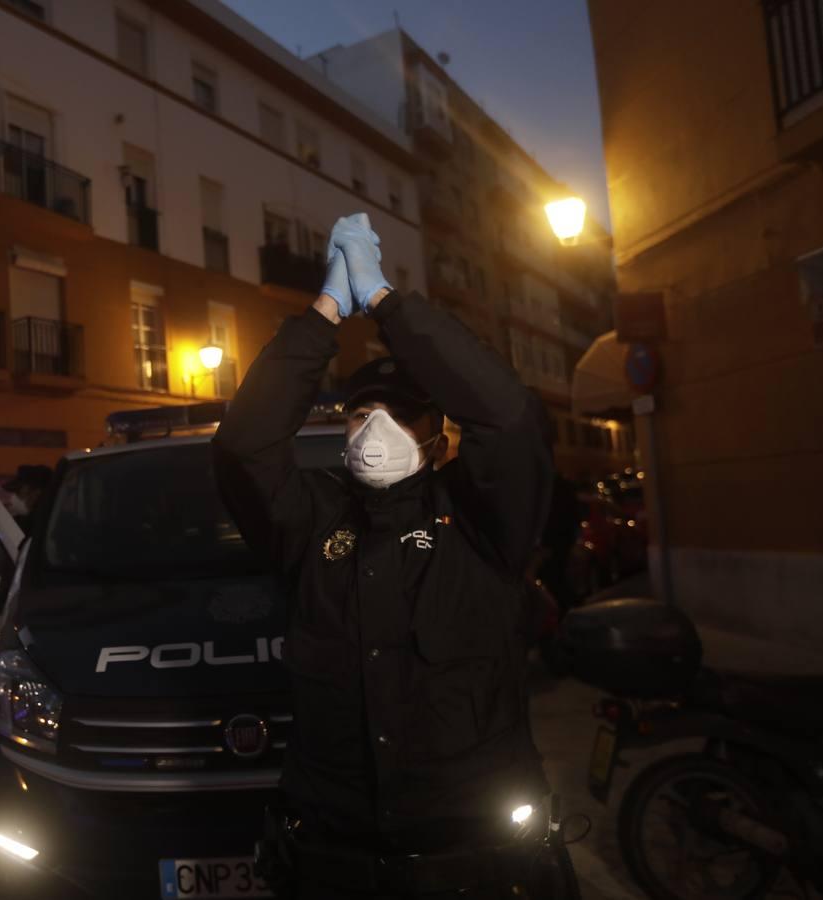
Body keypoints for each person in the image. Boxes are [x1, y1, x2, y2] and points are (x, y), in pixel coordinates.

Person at [212, 214, 577, 898]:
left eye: (402, 412)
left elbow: (510, 417)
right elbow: (244, 446)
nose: (377, 426)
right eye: (360, 410)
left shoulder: (483, 524)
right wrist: (323, 314)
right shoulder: (310, 520)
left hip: (479, 869)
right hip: (334, 864)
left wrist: (387, 304)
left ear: (438, 434)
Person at [3, 464, 53, 532]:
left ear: (37, 493)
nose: (13, 497)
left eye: (18, 492)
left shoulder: (33, 524)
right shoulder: (52, 518)